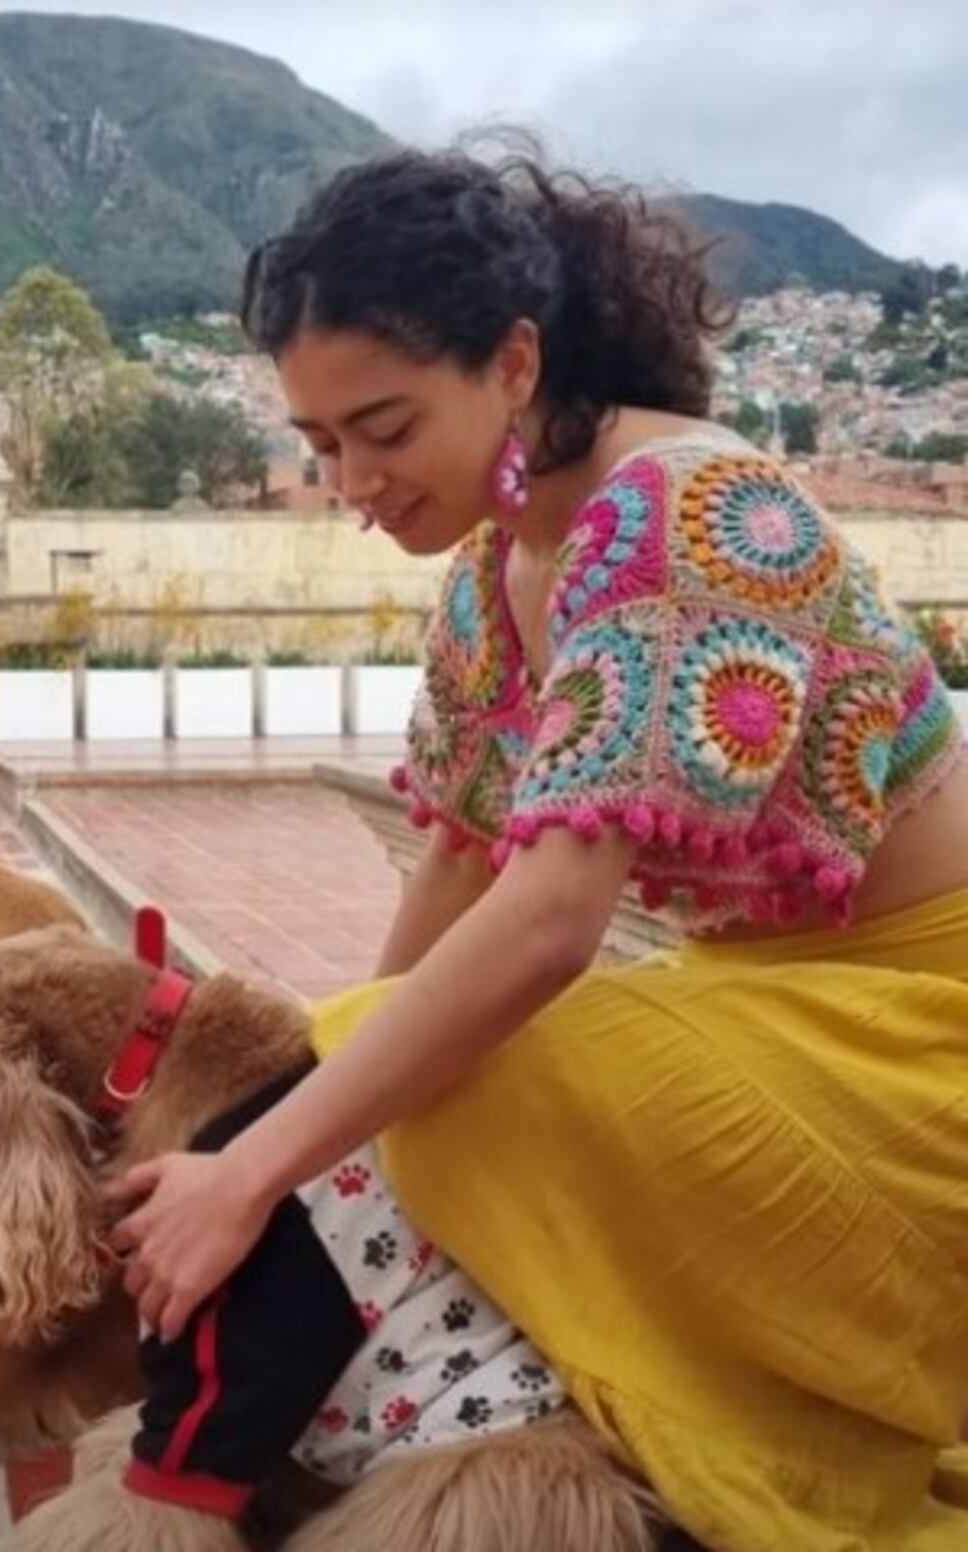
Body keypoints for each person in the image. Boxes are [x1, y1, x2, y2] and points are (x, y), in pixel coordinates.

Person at [109, 141, 968, 1549]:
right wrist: (316, 1109)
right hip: (776, 1007)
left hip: (923, 1042)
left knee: (466, 1084)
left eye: (385, 428)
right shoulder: (495, 565)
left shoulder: (692, 518)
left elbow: (554, 919)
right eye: (321, 445)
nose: (353, 481)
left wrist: (260, 1172)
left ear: (514, 363)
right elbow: (460, 863)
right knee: (371, 1077)